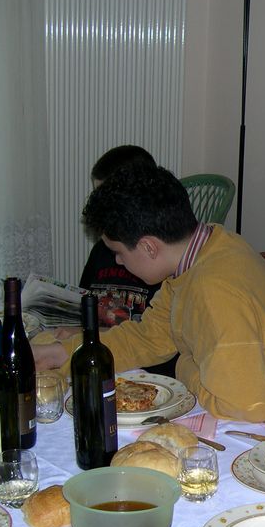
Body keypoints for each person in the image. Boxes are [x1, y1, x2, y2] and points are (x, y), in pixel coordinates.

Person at [34, 162, 265, 424]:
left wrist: (185, 366)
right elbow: (149, 337)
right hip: (255, 420)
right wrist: (65, 353)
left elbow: (244, 410)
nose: (118, 261)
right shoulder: (204, 249)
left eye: (119, 252)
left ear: (149, 247)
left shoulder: (213, 290)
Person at [67, 145, 177, 378]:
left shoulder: (164, 265)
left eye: (106, 198)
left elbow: (152, 338)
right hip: (102, 351)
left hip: (139, 367)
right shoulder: (101, 251)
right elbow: (85, 300)